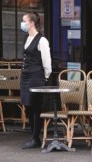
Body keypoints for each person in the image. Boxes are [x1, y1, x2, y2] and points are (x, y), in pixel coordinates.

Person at [20, 12, 52, 149]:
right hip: (26, 76)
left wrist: (44, 78)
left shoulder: (42, 40)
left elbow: (47, 63)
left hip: (36, 76)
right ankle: (34, 136)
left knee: (35, 107)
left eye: (24, 21)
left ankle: (35, 138)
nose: (22, 24)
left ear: (32, 23)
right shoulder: (27, 38)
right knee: (27, 106)